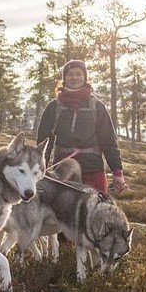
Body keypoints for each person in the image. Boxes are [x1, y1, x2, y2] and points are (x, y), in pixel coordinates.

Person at [37, 59, 126, 195]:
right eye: (70, 74)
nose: (74, 77)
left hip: (93, 170)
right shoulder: (53, 107)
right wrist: (39, 168)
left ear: (85, 77)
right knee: (64, 213)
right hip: (63, 171)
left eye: (78, 74)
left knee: (96, 213)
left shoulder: (97, 107)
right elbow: (44, 143)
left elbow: (109, 142)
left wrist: (117, 171)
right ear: (64, 78)